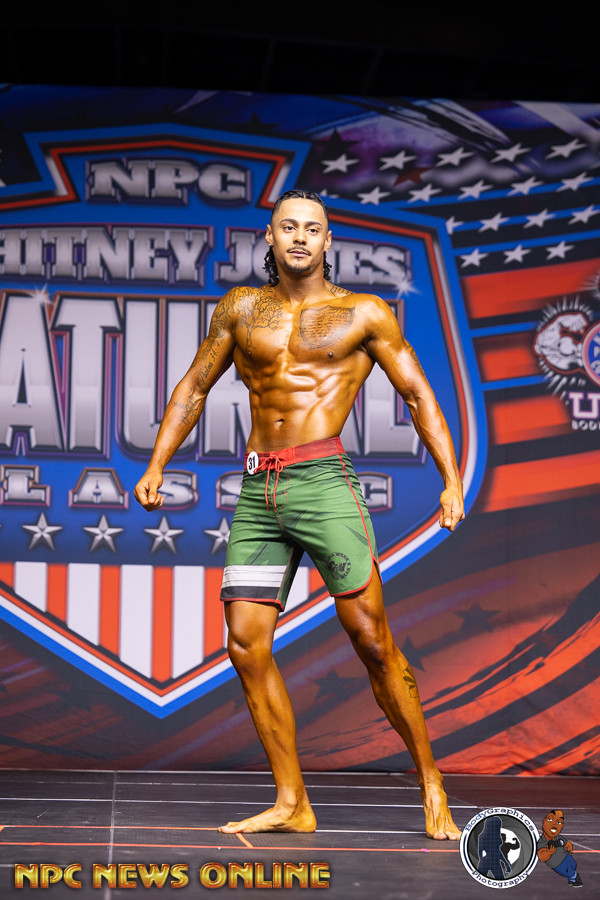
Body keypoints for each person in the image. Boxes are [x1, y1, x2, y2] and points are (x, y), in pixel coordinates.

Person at [134, 189, 464, 840]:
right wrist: (157, 463)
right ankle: (292, 801)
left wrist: (450, 481)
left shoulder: (363, 313)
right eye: (289, 227)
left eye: (313, 229)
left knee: (371, 639)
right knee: (245, 645)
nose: (300, 238)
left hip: (323, 485)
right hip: (259, 492)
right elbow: (195, 386)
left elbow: (417, 393)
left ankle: (430, 779)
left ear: (328, 240)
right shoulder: (241, 309)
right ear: (270, 236)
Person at [537, 810, 583, 887]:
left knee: (573, 865)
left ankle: (572, 880)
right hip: (556, 863)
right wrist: (549, 853)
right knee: (569, 873)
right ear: (544, 821)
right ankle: (575, 877)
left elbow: (568, 844)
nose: (554, 824)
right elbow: (541, 856)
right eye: (550, 820)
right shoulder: (542, 841)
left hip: (566, 856)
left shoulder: (558, 837)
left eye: (559, 822)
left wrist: (570, 852)